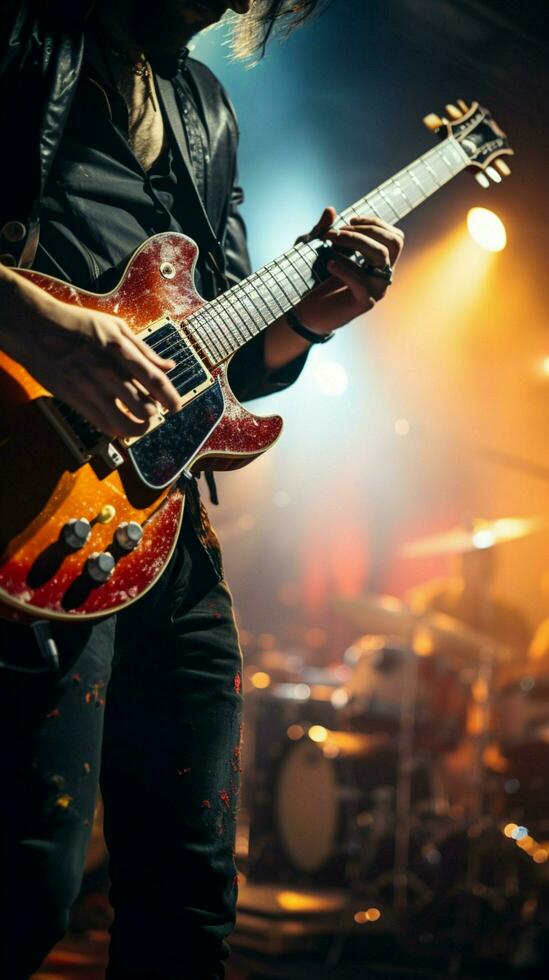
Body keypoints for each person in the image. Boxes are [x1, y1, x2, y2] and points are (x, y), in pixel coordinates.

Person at [0, 2, 404, 977]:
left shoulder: (205, 106)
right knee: (24, 883)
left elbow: (226, 353)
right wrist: (33, 320)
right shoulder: (25, 31)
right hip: (30, 493)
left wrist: (306, 320)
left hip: (165, 537)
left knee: (189, 899)